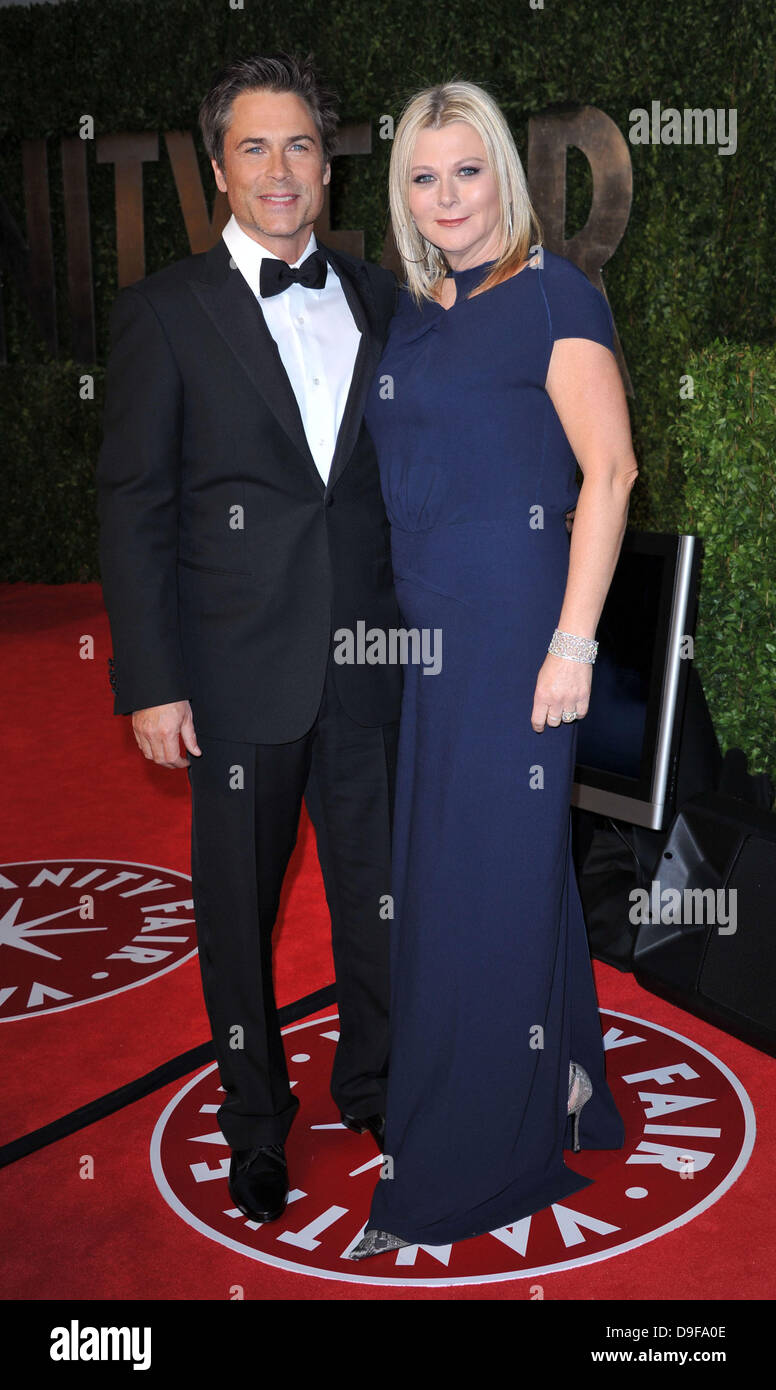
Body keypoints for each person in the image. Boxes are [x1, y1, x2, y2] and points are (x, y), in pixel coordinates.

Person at [96, 52, 403, 1226]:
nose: (281, 172)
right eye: (255, 148)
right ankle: (256, 1126)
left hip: (371, 663)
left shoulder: (376, 295)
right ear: (217, 166)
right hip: (231, 674)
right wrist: (151, 680)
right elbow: (133, 507)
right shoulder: (164, 313)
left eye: (302, 148)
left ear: (327, 166)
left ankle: (373, 1084)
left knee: (379, 898)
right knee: (237, 915)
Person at [349, 81, 636, 1258]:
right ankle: (563, 1072)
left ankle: (472, 1157)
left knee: (477, 889)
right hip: (429, 642)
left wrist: (571, 643)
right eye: (423, 177)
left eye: (466, 170)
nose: (446, 195)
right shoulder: (412, 314)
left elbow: (608, 474)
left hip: (519, 635)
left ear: (502, 180)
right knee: (494, 870)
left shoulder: (552, 293)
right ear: (402, 196)